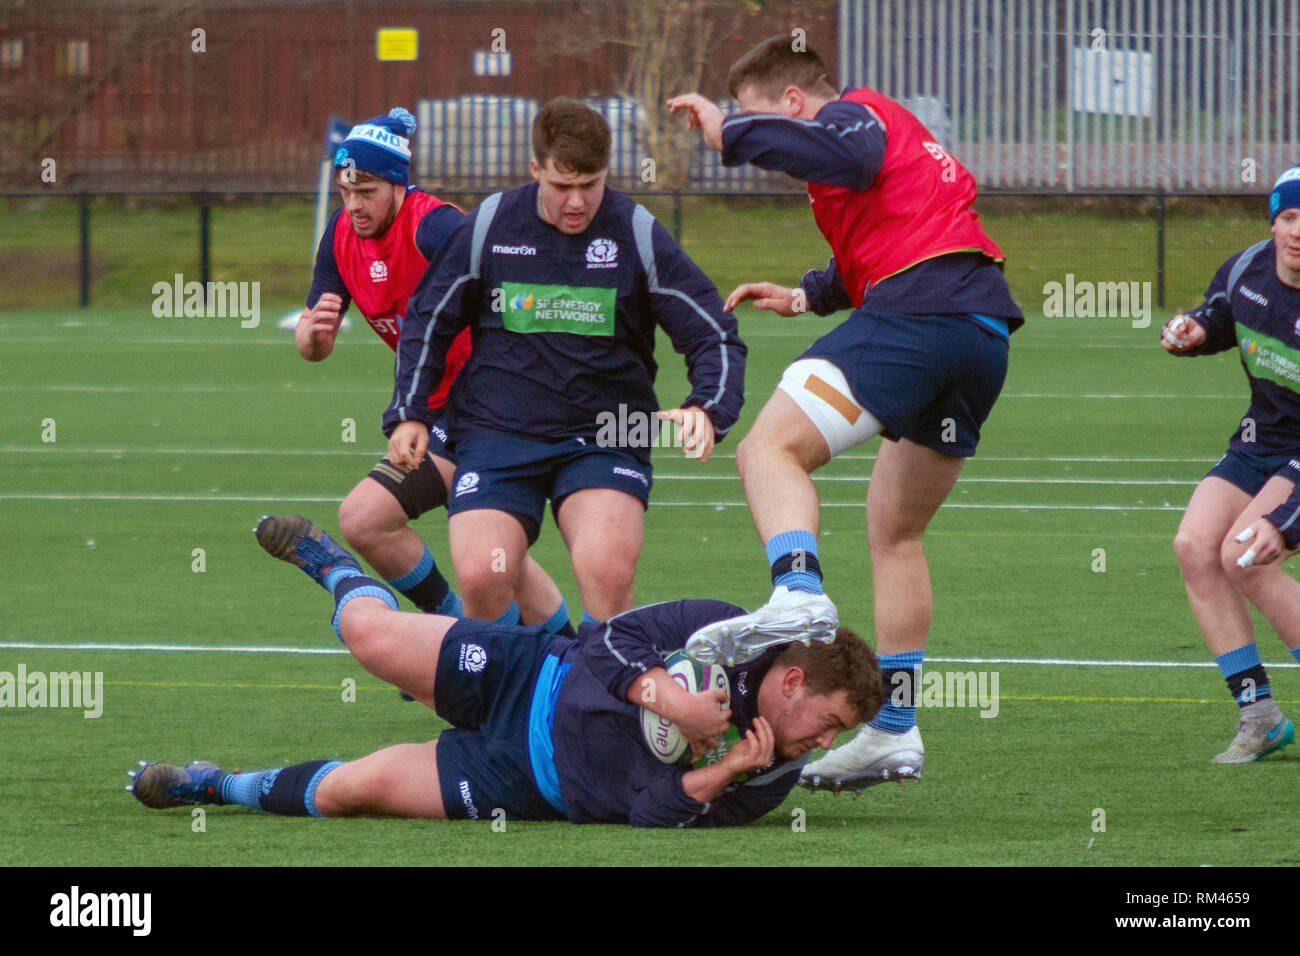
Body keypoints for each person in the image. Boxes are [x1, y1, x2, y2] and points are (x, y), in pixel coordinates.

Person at [666, 37, 1023, 791]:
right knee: (895, 533)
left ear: (795, 103)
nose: (774, 139)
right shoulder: (887, 139)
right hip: (980, 336)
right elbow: (888, 231)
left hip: (922, 316)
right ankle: (895, 728)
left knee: (768, 451)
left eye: (766, 116)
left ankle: (796, 590)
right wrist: (805, 295)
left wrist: (730, 132)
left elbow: (851, 161)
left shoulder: (857, 115)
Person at [126, 515, 881, 827]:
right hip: (528, 677)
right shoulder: (727, 631)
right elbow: (606, 641)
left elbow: (651, 817)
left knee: (359, 788)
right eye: (832, 723)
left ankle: (213, 784)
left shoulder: (769, 779)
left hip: (518, 782)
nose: (823, 745)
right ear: (793, 684)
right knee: (365, 633)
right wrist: (670, 702)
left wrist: (718, 775)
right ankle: (331, 564)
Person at [382, 98, 746, 627]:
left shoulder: (636, 233)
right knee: (484, 575)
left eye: (590, 185)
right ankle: (510, 700)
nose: (576, 202)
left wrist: (708, 408)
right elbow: (428, 317)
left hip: (604, 432)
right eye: (561, 186)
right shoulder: (490, 224)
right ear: (535, 170)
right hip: (497, 429)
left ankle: (597, 702)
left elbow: (712, 332)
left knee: (607, 568)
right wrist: (410, 411)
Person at [297, 107, 568, 635]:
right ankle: (455, 629)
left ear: (398, 185)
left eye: (367, 191)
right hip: (437, 410)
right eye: (345, 191)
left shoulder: (435, 226)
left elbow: (518, 286)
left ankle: (563, 661)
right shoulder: (339, 236)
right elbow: (312, 345)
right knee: (370, 522)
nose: (353, 204)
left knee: (489, 550)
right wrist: (312, 337)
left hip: (499, 405)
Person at [1160, 165, 1300, 762]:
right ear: (1273, 222)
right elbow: (1222, 315)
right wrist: (1195, 330)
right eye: (1289, 218)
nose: (1298, 232)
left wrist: (1286, 521)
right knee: (1195, 547)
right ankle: (1260, 716)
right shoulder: (1247, 270)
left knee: (1245, 556)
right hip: (1261, 437)